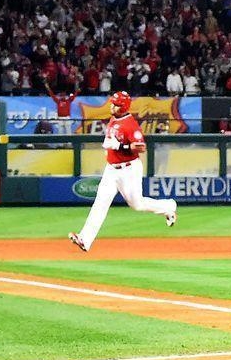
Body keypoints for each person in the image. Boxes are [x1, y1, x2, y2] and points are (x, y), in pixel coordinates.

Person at [69, 92, 177, 251]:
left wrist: (120, 146)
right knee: (100, 202)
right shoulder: (114, 119)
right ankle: (85, 239)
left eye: (116, 104)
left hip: (128, 170)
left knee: (137, 205)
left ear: (124, 106)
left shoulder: (130, 124)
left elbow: (141, 147)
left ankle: (168, 207)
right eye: (112, 103)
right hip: (111, 169)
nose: (112, 106)